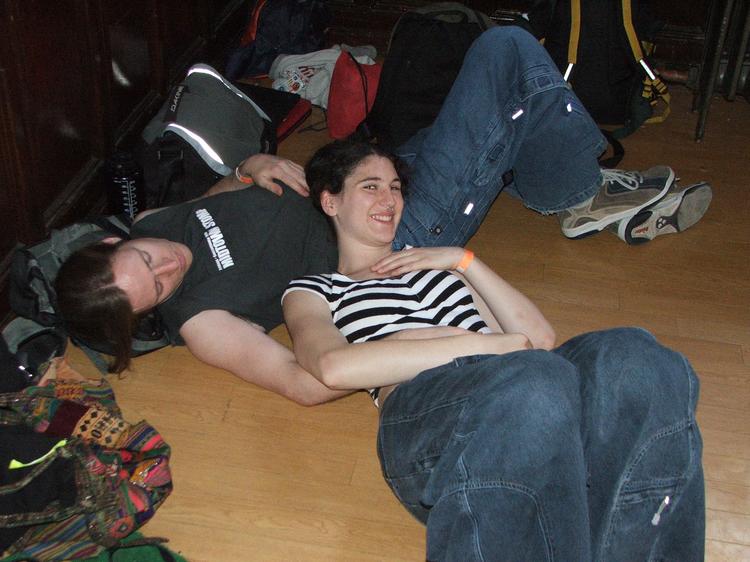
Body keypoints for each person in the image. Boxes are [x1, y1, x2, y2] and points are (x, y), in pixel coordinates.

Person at [56, 27, 710, 397]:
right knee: (505, 53)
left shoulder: (151, 223)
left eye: (147, 260)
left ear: (117, 243)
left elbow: (214, 206)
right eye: (159, 286)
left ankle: (560, 185)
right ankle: (581, 193)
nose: (169, 265)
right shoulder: (201, 323)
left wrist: (248, 169)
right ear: (151, 312)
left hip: (355, 187)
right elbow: (304, 383)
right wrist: (396, 346)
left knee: (492, 100)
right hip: (391, 238)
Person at [281, 138, 705, 561]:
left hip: (524, 387)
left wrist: (464, 262)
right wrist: (482, 344)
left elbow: (538, 339)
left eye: (394, 187)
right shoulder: (316, 289)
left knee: (636, 356)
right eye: (370, 186)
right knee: (534, 380)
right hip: (430, 415)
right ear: (330, 201)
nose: (389, 199)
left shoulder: (439, 266)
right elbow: (333, 366)